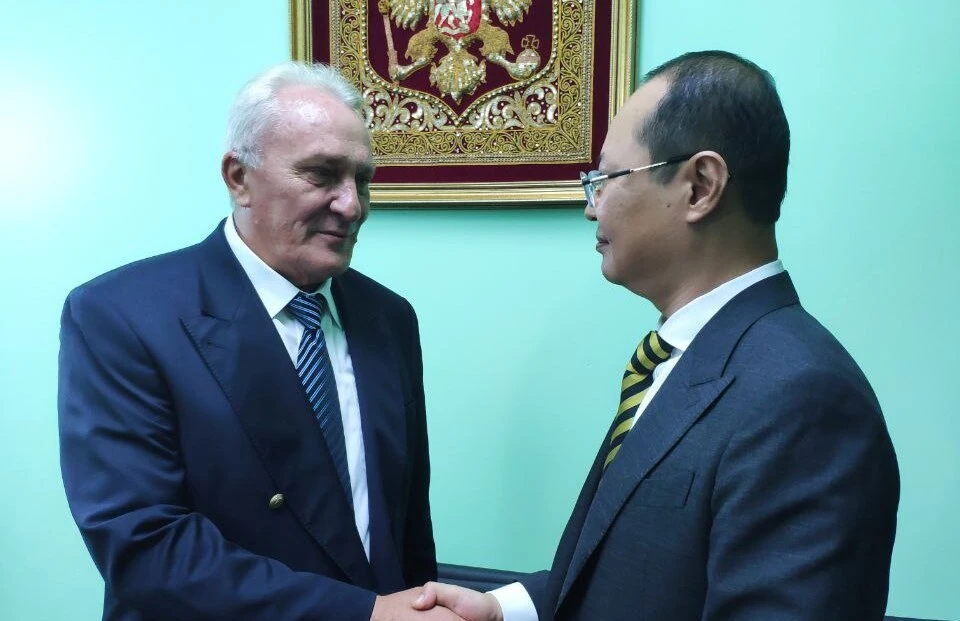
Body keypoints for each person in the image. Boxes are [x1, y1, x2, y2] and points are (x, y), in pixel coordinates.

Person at [413, 50, 900, 621]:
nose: (592, 208)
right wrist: (502, 609)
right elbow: (638, 575)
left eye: (606, 179)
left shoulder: (803, 399)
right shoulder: (684, 357)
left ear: (700, 186)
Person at [59, 61, 449, 620]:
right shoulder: (122, 316)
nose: (352, 205)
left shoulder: (389, 318)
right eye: (321, 175)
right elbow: (146, 548)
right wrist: (362, 614)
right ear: (238, 177)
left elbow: (407, 525)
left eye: (362, 179)